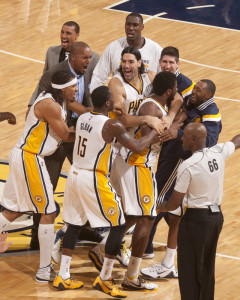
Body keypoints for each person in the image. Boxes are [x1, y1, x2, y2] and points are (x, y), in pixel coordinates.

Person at [52, 86, 160, 298]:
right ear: (108, 104)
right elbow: (137, 146)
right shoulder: (111, 124)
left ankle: (63, 275)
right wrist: (155, 133)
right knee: (119, 225)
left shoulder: (84, 117)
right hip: (94, 177)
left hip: (74, 174)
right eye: (113, 99)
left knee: (73, 224)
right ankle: (105, 278)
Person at [0, 70, 77, 282]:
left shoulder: (58, 100)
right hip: (30, 158)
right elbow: (66, 135)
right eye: (73, 86)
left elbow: (81, 110)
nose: (77, 90)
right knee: (48, 212)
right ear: (62, 89)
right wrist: (95, 130)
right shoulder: (50, 104)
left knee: (13, 210)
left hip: (25, 156)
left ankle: (44, 269)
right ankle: (44, 271)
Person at [141, 79, 222, 279]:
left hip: (180, 160)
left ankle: (143, 246)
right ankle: (169, 259)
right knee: (174, 213)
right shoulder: (191, 101)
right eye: (194, 87)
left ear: (208, 95)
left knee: (156, 203)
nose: (193, 91)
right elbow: (180, 103)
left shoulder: (211, 112)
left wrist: (178, 132)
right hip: (171, 156)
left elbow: (209, 140)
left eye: (198, 90)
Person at [29, 41, 99, 251]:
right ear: (73, 57)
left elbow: (76, 103)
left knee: (86, 177)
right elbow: (52, 104)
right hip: (57, 132)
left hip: (77, 128)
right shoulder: (54, 74)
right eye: (85, 58)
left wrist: (93, 117)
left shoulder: (89, 67)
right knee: (47, 184)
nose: (89, 61)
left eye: (89, 57)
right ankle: (36, 236)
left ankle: (83, 227)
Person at [157, 122, 240, 300]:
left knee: (188, 269)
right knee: (206, 268)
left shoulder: (188, 165)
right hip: (216, 218)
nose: (182, 138)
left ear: (194, 140)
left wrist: (157, 207)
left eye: (185, 136)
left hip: (196, 220)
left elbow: (173, 204)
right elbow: (236, 140)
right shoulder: (218, 151)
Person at [118, 71, 178, 292]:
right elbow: (144, 140)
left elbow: (176, 107)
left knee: (134, 214)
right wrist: (160, 132)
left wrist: (170, 120)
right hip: (138, 163)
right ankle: (131, 276)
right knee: (147, 218)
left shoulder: (153, 105)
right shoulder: (152, 109)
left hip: (136, 163)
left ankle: (104, 246)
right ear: (169, 91)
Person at [143, 46, 195, 259]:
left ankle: (145, 245)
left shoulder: (187, 85)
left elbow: (189, 114)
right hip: (162, 147)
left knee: (160, 194)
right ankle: (183, 239)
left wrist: (174, 125)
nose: (167, 65)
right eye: (164, 61)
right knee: (169, 197)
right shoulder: (156, 83)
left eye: (171, 62)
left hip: (176, 149)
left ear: (178, 64)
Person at [90, 12, 162, 92]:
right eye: (128, 24)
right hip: (121, 97)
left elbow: (164, 78)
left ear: (142, 27)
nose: (131, 28)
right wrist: (94, 99)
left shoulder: (155, 49)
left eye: (135, 25)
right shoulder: (113, 47)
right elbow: (98, 77)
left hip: (146, 99)